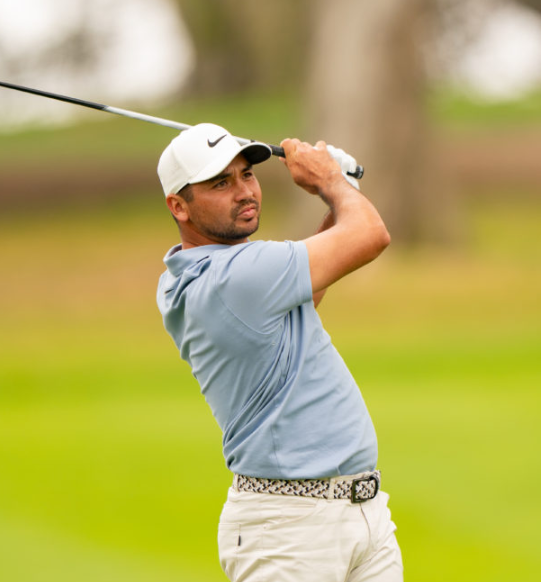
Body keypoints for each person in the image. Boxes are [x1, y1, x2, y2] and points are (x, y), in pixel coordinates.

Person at [155, 123, 402, 582]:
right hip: (289, 531)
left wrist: (340, 191)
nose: (244, 191)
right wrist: (329, 181)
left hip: (355, 512)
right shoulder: (236, 277)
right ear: (178, 206)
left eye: (246, 174)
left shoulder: (196, 275)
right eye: (220, 183)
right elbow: (371, 234)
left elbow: (309, 290)